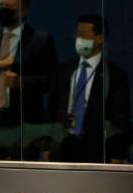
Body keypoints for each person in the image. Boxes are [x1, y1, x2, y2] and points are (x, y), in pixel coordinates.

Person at [0, 0, 57, 160]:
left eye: (9, 6)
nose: (3, 9)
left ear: (23, 11)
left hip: (22, 124)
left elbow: (50, 81)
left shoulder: (40, 40)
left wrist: (21, 83)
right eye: (1, 5)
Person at [49, 16, 131, 163]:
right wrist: (47, 146)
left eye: (84, 35)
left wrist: (117, 154)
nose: (78, 39)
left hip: (97, 150)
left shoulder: (115, 74)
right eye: (77, 34)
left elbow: (121, 119)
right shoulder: (63, 70)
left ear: (99, 39)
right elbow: (52, 109)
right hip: (63, 147)